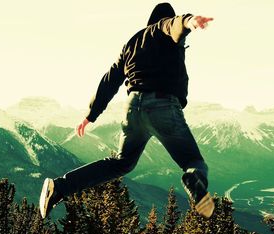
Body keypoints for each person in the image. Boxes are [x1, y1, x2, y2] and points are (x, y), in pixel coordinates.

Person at [39, 3, 215, 219]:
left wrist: (90, 115)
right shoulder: (164, 28)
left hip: (133, 108)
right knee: (193, 162)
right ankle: (194, 179)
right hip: (162, 106)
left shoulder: (131, 44)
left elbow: (110, 80)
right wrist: (190, 22)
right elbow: (176, 24)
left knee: (121, 163)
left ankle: (59, 188)